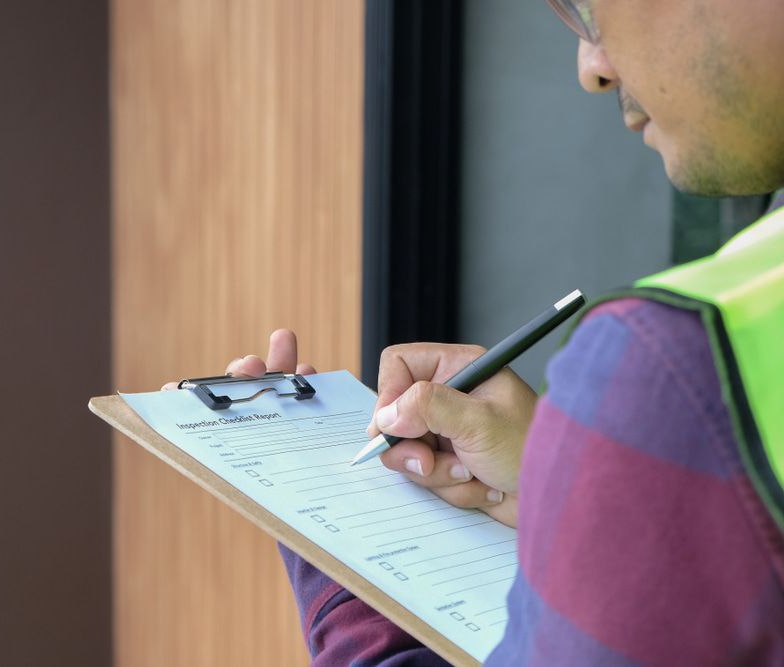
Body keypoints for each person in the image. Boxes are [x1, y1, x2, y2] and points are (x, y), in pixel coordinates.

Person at [221, 1, 784, 664]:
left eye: (587, 8)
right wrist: (572, 481)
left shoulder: (673, 365)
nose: (591, 69)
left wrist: (339, 574)